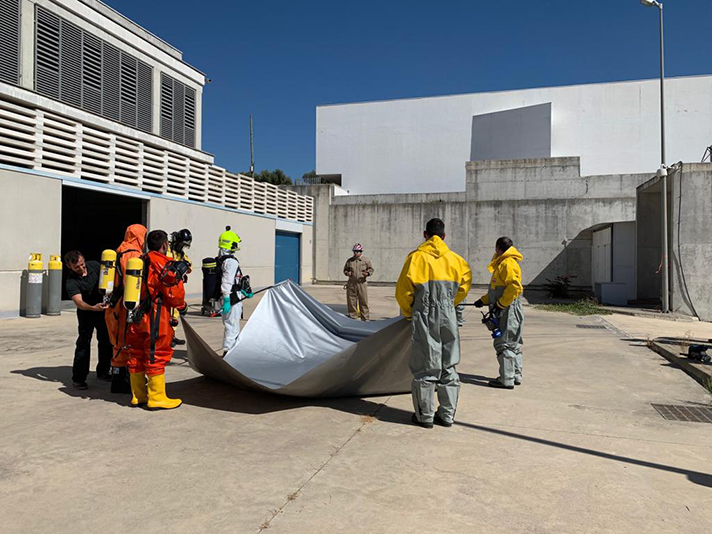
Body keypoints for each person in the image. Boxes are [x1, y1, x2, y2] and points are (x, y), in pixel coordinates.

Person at [395, 218, 472, 429]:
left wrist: (410, 313)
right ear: (444, 236)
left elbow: (403, 292)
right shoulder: (457, 260)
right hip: (448, 314)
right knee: (449, 364)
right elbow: (464, 288)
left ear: (425, 234)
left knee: (426, 366)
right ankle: (447, 415)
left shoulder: (415, 259)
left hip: (425, 313)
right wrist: (449, 304)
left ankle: (425, 416)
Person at [126, 230, 188, 410]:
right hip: (155, 315)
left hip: (136, 314)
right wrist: (181, 306)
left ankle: (138, 395)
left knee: (137, 353)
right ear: (165, 245)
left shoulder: (139, 261)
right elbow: (174, 292)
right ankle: (157, 397)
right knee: (156, 353)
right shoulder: (162, 263)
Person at [474, 236, 524, 390]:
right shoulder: (502, 264)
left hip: (508, 310)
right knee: (513, 342)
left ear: (498, 248)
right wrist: (483, 301)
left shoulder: (507, 264)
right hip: (504, 308)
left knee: (505, 343)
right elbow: (496, 291)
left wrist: (501, 305)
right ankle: (515, 375)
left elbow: (514, 287)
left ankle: (506, 379)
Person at [105, 224, 147, 394]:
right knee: (128, 342)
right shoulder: (135, 255)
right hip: (127, 304)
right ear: (139, 237)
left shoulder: (117, 252)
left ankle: (117, 376)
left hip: (114, 304)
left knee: (117, 341)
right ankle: (124, 380)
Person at [64, 250, 113, 390]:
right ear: (69, 266)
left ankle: (103, 371)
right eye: (77, 267)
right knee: (83, 343)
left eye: (82, 264)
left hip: (102, 310)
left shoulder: (95, 266)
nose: (81, 268)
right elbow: (79, 302)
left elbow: (109, 279)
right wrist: (92, 307)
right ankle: (78, 378)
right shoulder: (71, 282)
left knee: (106, 341)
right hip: (87, 312)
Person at [217, 226, 248, 355]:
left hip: (229, 296)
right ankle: (228, 352)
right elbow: (227, 281)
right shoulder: (231, 262)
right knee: (232, 326)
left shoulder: (221, 260)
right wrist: (227, 299)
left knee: (230, 324)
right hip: (232, 298)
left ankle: (230, 350)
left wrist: (244, 291)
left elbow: (234, 280)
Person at [167, 228, 192, 347]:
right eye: (182, 244)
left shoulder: (180, 253)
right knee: (166, 313)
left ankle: (172, 336)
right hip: (166, 286)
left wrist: (185, 267)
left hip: (176, 286)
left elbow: (189, 265)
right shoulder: (167, 249)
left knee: (175, 312)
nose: (182, 247)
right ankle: (166, 337)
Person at [343, 244, 374, 321]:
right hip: (352, 283)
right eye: (354, 251)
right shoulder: (350, 261)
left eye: (357, 251)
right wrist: (347, 273)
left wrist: (367, 273)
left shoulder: (365, 260)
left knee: (363, 301)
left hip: (362, 283)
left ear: (361, 252)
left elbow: (371, 269)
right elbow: (345, 270)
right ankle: (353, 317)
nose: (356, 253)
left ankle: (365, 318)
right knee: (351, 301)